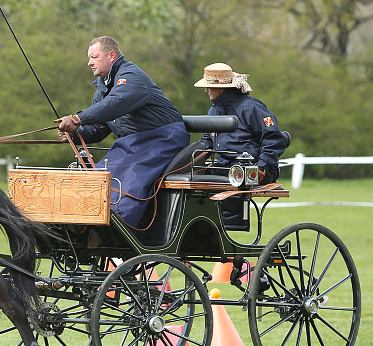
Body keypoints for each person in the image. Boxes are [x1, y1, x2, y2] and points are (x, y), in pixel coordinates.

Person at [56, 36, 190, 227]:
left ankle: (119, 230)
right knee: (99, 178)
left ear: (111, 55)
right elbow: (99, 128)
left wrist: (78, 119)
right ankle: (86, 223)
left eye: (94, 57)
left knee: (128, 181)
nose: (89, 63)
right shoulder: (103, 87)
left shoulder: (131, 76)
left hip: (162, 139)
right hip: (132, 144)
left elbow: (117, 103)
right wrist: (76, 135)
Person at [193, 63, 286, 185]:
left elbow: (274, 139)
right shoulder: (214, 110)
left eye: (209, 87)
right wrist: (190, 160)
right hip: (224, 167)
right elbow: (208, 140)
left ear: (222, 88)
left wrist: (261, 167)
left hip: (254, 168)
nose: (206, 91)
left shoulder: (252, 108)